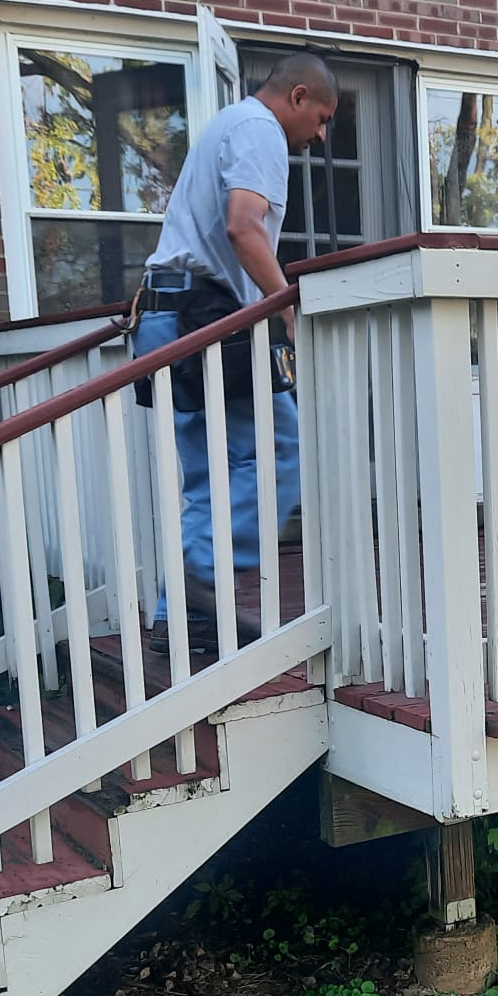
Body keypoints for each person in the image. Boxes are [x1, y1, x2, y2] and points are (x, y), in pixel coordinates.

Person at [130, 51, 338, 652]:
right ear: (298, 97)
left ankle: (183, 617)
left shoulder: (229, 124)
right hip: (202, 313)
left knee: (211, 475)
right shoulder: (260, 130)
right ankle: (200, 588)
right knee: (279, 449)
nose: (321, 136)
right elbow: (244, 226)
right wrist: (284, 305)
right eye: (322, 118)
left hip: (166, 311)